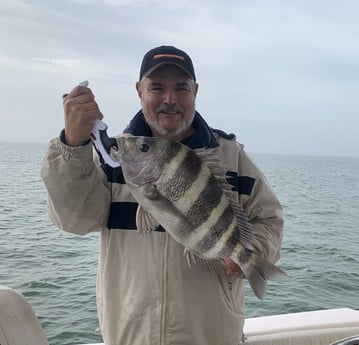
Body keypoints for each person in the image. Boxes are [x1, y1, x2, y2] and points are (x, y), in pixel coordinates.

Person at [41, 45, 284, 345]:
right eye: (157, 87)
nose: (170, 99)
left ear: (195, 91)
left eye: (181, 88)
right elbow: (75, 220)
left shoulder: (232, 157)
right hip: (130, 337)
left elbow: (270, 220)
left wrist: (252, 251)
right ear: (139, 91)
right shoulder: (114, 158)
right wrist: (73, 145)